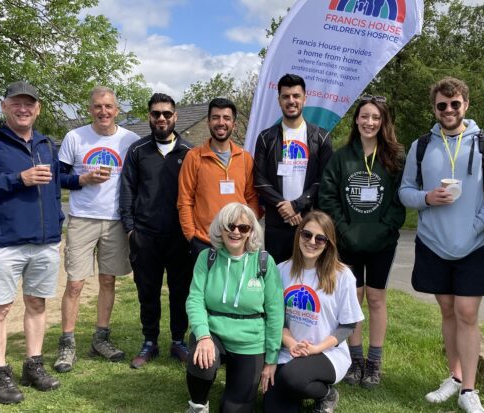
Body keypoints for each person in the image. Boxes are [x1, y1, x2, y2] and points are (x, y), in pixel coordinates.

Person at [398, 77, 484, 413]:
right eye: (442, 105)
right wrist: (427, 198)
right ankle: (455, 377)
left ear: (466, 105)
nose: (448, 110)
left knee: (467, 313)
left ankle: (469, 390)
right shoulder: (421, 145)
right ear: (434, 108)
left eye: (454, 103)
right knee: (447, 311)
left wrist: (475, 227)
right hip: (433, 243)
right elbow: (405, 191)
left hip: (473, 243)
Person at [0, 81, 63, 404]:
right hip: (6, 242)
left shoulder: (47, 144)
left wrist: (83, 182)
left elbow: (58, 182)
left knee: (37, 304)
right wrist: (18, 179)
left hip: (46, 242)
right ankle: (0, 373)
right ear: (4, 106)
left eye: (29, 104)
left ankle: (33, 365)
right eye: (16, 103)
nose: (23, 109)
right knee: (1, 307)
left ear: (38, 108)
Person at [318, 95, 406, 389]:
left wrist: (383, 230)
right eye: (365, 116)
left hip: (382, 241)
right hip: (347, 241)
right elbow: (327, 197)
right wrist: (344, 231)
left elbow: (398, 200)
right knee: (352, 299)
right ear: (356, 120)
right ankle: (355, 361)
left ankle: (374, 362)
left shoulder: (394, 157)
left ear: (383, 123)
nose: (370, 122)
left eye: (376, 118)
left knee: (377, 298)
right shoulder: (341, 157)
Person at [53, 86, 139, 372]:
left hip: (115, 220)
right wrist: (83, 179)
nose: (103, 111)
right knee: (75, 283)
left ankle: (100, 338)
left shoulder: (131, 140)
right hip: (82, 218)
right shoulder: (74, 137)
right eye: (98, 106)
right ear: (90, 109)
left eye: (109, 106)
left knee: (107, 281)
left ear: (117, 110)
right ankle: (67, 343)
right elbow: (59, 177)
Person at [184, 202, 283, 413]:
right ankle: (198, 405)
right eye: (230, 226)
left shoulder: (265, 262)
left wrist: (272, 358)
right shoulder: (206, 258)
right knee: (202, 364)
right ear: (221, 228)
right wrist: (203, 336)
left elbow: (275, 312)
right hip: (214, 333)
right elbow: (195, 300)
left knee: (234, 409)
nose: (236, 232)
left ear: (251, 232)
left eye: (243, 228)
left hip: (251, 340)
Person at [119, 93, 194, 368]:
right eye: (155, 114)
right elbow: (127, 189)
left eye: (166, 113)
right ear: (149, 117)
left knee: (180, 292)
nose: (161, 118)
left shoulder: (189, 151)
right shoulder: (138, 151)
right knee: (147, 291)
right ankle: (149, 341)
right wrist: (130, 229)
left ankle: (178, 341)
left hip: (179, 236)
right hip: (145, 236)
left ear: (175, 116)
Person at [263, 210, 364, 413]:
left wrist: (316, 348)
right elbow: (275, 318)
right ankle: (298, 390)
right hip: (289, 350)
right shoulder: (281, 270)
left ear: (328, 243)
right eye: (306, 234)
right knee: (274, 404)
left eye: (320, 238)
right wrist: (292, 344)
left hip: (327, 352)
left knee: (290, 378)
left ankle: (326, 394)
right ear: (298, 234)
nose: (312, 241)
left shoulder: (343, 276)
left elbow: (348, 326)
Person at [254, 73, 333, 264]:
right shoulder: (266, 137)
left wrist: (297, 205)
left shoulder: (321, 137)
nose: (291, 101)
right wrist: (284, 206)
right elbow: (259, 180)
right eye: (286, 96)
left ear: (305, 98)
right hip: (276, 224)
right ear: (279, 100)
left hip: (309, 224)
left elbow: (323, 180)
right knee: (276, 282)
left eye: (296, 96)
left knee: (307, 281)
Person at [178, 98, 259, 263]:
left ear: (234, 124)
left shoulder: (245, 159)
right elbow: (185, 200)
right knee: (206, 289)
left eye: (226, 118)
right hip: (205, 242)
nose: (221, 122)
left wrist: (248, 230)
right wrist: (191, 236)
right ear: (208, 122)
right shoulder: (194, 157)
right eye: (216, 117)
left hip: (238, 241)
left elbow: (252, 199)